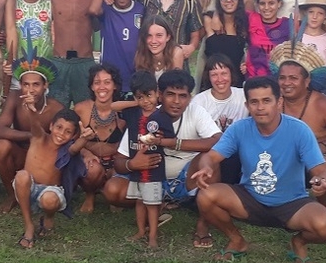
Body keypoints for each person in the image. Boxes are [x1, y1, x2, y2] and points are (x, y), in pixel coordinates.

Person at [190, 77, 326, 263]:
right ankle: (236, 240)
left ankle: (298, 242)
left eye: (266, 101)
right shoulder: (239, 128)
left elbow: (321, 170)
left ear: (279, 102)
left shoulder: (299, 130)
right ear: (247, 105)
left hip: (292, 204)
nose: (260, 107)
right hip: (250, 198)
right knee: (206, 196)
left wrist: (321, 180)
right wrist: (206, 166)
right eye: (254, 102)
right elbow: (211, 156)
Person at [113, 70, 222, 248]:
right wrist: (132, 164)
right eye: (170, 94)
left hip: (186, 178)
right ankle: (156, 208)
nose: (176, 101)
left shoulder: (196, 112)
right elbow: (119, 161)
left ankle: (203, 224)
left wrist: (173, 143)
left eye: (183, 96)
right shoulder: (146, 117)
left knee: (211, 159)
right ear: (160, 95)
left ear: (190, 97)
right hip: (152, 177)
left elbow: (218, 141)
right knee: (113, 190)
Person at [274, 55, 326, 209]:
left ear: (307, 81)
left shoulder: (322, 104)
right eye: (282, 78)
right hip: (282, 157)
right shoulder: (274, 103)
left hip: (321, 158)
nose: (286, 83)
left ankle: (322, 209)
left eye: (293, 78)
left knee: (323, 163)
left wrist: (323, 147)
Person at [0, 52, 63, 213]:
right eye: (26, 84)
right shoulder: (15, 98)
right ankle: (12, 195)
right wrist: (31, 136)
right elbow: (0, 129)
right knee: (2, 146)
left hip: (42, 159)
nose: (30, 90)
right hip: (20, 153)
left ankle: (50, 192)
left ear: (45, 85)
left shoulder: (56, 107)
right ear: (20, 85)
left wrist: (41, 139)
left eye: (36, 84)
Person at [13, 108, 91, 248]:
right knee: (22, 175)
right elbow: (35, 124)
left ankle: (49, 216)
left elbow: (76, 148)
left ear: (73, 136)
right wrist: (31, 109)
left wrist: (85, 138)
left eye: (68, 132)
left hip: (50, 191)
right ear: (51, 126)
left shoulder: (67, 149)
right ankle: (29, 225)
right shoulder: (38, 138)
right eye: (59, 127)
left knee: (49, 199)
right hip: (28, 188)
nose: (61, 134)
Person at [43, 0, 106, 107]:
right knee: (55, 111)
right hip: (59, 62)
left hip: (84, 62)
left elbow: (99, 23)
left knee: (88, 112)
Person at [119, 71, 174, 248]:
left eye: (149, 95)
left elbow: (171, 139)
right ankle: (141, 231)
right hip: (136, 168)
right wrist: (135, 102)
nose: (145, 101)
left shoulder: (162, 115)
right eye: (140, 97)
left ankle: (153, 236)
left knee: (152, 203)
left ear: (157, 93)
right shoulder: (133, 113)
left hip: (153, 168)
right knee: (139, 201)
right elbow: (113, 106)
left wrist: (159, 140)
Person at [78, 64, 131, 209]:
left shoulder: (124, 112)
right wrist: (86, 153)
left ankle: (110, 194)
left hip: (115, 163)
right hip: (91, 162)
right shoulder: (81, 109)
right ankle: (90, 195)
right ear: (92, 86)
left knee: (118, 177)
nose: (102, 87)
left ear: (115, 86)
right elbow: (69, 141)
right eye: (97, 82)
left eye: (107, 82)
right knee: (92, 169)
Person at [89, 0, 144, 94]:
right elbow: (93, 10)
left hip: (134, 76)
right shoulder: (106, 9)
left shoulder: (140, 10)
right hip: (110, 78)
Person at [200, 0, 248, 89]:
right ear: (218, 0)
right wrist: (217, 13)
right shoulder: (209, 20)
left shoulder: (245, 23)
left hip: (237, 84)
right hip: (212, 83)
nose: (228, 0)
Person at [245, 0, 292, 77]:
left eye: (271, 3)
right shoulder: (251, 19)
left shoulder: (288, 24)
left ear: (279, 4)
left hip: (277, 80)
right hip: (253, 79)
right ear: (257, 4)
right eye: (262, 3)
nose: (266, 8)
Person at [192, 54, 248, 133]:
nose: (220, 79)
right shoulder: (199, 102)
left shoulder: (244, 96)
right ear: (208, 77)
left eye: (224, 73)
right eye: (214, 75)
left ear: (231, 74)